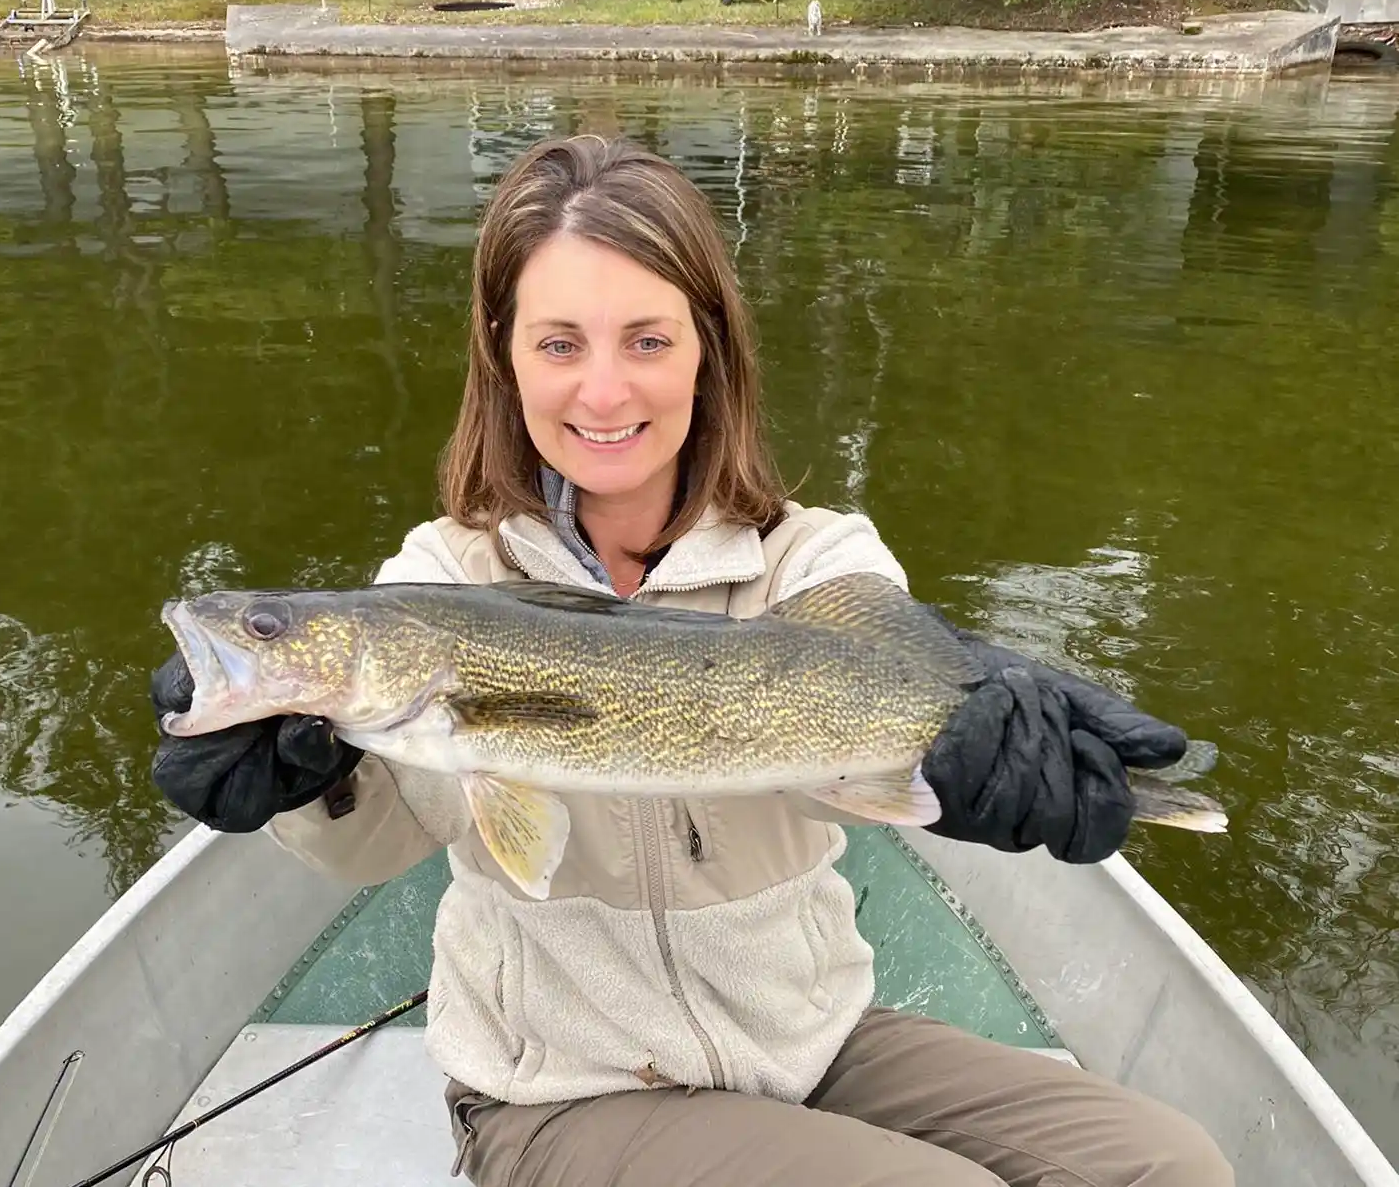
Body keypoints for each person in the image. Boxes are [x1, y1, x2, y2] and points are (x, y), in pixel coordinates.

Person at [150, 136, 1234, 1187]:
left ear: (709, 347)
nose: (605, 393)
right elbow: (372, 848)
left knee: (1171, 1167)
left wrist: (981, 757)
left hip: (804, 1043)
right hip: (563, 1090)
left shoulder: (815, 559)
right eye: (560, 343)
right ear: (505, 351)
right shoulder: (439, 576)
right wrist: (303, 782)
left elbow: (875, 745)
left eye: (648, 341)